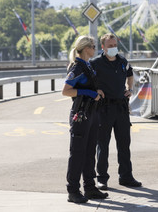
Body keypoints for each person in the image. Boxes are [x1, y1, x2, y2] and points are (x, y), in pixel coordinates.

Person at [91, 33, 141, 189]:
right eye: (110, 46)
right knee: (102, 145)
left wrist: (130, 89)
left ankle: (126, 177)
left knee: (124, 144)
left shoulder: (122, 61)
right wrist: (96, 90)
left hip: (121, 107)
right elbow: (87, 81)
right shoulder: (95, 63)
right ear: (103, 47)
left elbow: (130, 75)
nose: (113, 48)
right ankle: (102, 179)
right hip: (103, 108)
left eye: (114, 45)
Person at [62, 35, 108, 204]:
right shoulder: (77, 67)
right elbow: (66, 90)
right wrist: (89, 93)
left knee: (89, 153)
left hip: (92, 113)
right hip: (80, 114)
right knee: (78, 153)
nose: (95, 49)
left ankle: (90, 187)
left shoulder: (87, 66)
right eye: (93, 46)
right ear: (86, 48)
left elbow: (88, 85)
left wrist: (98, 92)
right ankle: (73, 191)